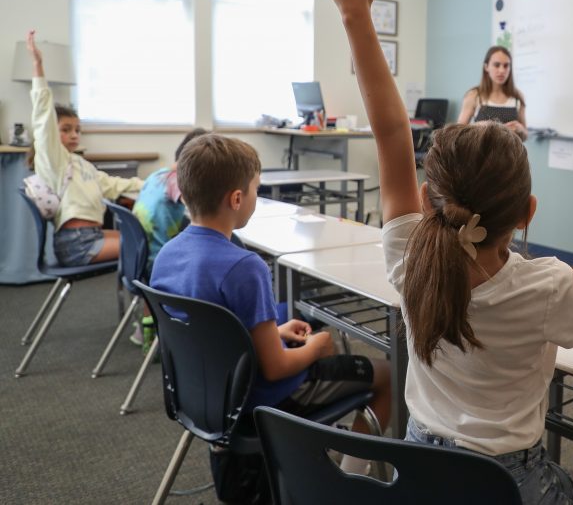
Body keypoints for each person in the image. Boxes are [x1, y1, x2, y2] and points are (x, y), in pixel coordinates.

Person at [320, 0, 573, 505]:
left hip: (417, 467)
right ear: (528, 213)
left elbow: (392, 133)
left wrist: (353, 12)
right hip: (506, 482)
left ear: (427, 201)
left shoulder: (406, 258)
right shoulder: (549, 287)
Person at [149, 132, 390, 475]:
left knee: (312, 342)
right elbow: (276, 368)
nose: (256, 197)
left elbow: (212, 330)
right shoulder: (245, 267)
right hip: (260, 402)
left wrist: (273, 331)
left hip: (202, 396)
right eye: (256, 190)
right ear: (236, 198)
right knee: (385, 375)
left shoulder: (168, 254)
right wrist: (318, 346)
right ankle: (347, 479)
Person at [26, 29, 143, 266]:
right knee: (147, 247)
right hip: (77, 243)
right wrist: (38, 67)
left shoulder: (79, 164)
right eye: (66, 129)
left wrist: (157, 181)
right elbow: (42, 117)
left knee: (144, 239)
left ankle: (136, 300)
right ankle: (143, 302)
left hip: (91, 236)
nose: (74, 135)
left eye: (77, 130)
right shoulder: (54, 162)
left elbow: (115, 184)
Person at [129, 127, 207, 351]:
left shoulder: (157, 174)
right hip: (158, 259)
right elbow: (198, 209)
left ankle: (145, 326)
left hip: (139, 257)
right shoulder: (177, 181)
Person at [456, 45, 528, 140]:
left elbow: (525, 135)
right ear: (486, 67)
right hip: (481, 154)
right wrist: (478, 126)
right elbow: (457, 132)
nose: (502, 70)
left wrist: (520, 130)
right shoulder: (474, 95)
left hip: (510, 154)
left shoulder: (517, 96)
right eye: (497, 65)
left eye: (506, 66)